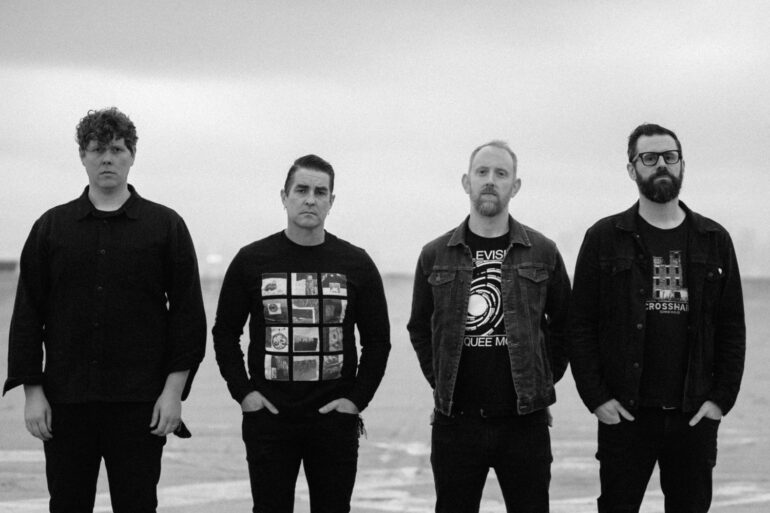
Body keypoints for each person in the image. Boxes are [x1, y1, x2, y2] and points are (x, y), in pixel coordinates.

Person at [4, 107, 207, 513]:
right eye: (98, 149)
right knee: (67, 505)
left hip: (141, 403)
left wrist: (173, 394)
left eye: (117, 149)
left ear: (132, 155)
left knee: (137, 505)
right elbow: (27, 314)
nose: (107, 159)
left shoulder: (165, 226)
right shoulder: (51, 227)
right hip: (65, 403)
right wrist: (32, 393)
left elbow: (187, 316)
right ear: (83, 155)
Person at [569, 123, 746, 512]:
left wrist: (720, 401)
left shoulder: (714, 239)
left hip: (693, 416)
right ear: (632, 169)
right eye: (649, 158)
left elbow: (732, 328)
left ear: (683, 164)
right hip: (625, 415)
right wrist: (597, 398)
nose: (661, 164)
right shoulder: (604, 237)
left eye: (670, 156)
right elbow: (579, 324)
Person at [212, 154, 391, 513]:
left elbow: (377, 341)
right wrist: (245, 394)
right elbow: (225, 333)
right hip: (269, 419)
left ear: (331, 201)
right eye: (302, 190)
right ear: (284, 196)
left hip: (334, 421)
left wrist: (355, 402)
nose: (311, 199)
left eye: (320, 192)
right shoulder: (252, 260)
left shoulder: (356, 263)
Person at [407, 141, 570, 513]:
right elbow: (420, 327)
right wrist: (441, 380)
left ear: (515, 186)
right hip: (456, 423)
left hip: (524, 423)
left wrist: (542, 381)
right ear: (466, 182)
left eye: (501, 173)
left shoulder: (542, 251)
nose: (490, 181)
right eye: (482, 172)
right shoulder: (435, 254)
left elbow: (565, 324)